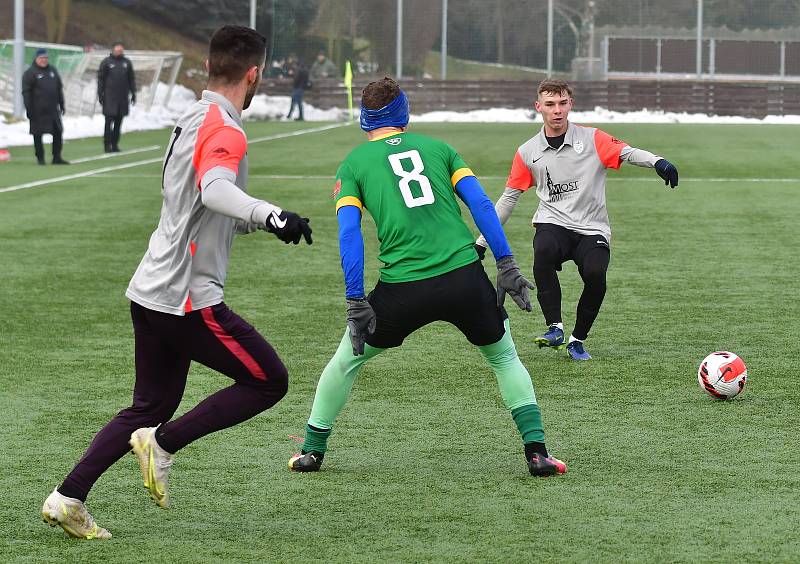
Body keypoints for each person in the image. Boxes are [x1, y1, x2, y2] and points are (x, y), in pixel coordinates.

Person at [41, 24, 313, 540]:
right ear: (253, 74)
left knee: (149, 404)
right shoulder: (226, 128)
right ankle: (162, 444)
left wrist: (257, 221)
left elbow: (201, 204)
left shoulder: (191, 117)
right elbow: (214, 190)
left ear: (209, 67)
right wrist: (273, 214)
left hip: (150, 288)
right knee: (267, 380)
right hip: (185, 299)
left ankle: (67, 497)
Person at [288, 77, 566, 479]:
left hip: (402, 288)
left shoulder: (353, 165)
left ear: (365, 120)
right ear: (405, 112)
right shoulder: (439, 149)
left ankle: (312, 451)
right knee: (504, 357)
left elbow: (349, 233)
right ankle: (537, 453)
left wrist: (354, 298)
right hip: (464, 279)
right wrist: (505, 264)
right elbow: (481, 204)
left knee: (346, 361)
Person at [474, 79, 679, 361]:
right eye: (550, 104)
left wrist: (658, 162)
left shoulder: (592, 139)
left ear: (570, 104)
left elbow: (627, 152)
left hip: (592, 227)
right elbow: (508, 199)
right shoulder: (527, 151)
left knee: (596, 274)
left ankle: (577, 340)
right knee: (543, 248)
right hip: (553, 223)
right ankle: (554, 327)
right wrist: (482, 242)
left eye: (562, 103)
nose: (556, 110)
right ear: (538, 107)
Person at [21, 48, 68, 165]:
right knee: (38, 134)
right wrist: (28, 108)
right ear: (36, 59)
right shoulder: (30, 73)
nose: (44, 60)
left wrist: (62, 104)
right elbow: (26, 92)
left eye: (46, 58)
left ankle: (56, 157)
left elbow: (59, 89)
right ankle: (40, 158)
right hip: (37, 110)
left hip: (53, 109)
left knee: (58, 132)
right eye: (41, 58)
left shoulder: (53, 71)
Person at [97, 41, 136, 152]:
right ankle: (106, 145)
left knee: (118, 123)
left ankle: (115, 144)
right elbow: (100, 79)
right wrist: (100, 94)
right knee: (108, 122)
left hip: (122, 98)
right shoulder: (106, 62)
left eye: (121, 51)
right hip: (109, 98)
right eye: (117, 50)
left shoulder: (127, 63)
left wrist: (133, 93)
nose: (119, 52)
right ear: (113, 50)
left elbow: (131, 80)